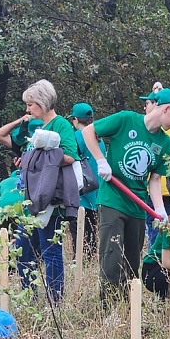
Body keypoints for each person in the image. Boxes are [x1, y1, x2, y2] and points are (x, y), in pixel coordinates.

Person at [82, 88, 170, 305]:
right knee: (112, 256)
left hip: (137, 205)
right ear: (166, 108)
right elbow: (89, 132)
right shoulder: (126, 120)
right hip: (112, 198)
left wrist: (159, 210)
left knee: (132, 262)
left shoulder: (165, 143)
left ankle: (127, 309)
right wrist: (101, 160)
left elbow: (153, 180)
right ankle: (109, 309)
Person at [15, 79, 78, 303]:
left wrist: (41, 160)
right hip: (32, 198)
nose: (27, 109)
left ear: (42, 102)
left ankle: (55, 301)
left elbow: (70, 155)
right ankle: (29, 298)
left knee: (50, 250)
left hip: (50, 200)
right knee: (22, 248)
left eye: (30, 104)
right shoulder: (40, 129)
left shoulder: (60, 125)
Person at [71, 102, 100, 257]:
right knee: (91, 228)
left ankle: (80, 258)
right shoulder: (98, 136)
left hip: (82, 188)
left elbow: (71, 158)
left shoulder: (77, 136)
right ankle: (90, 256)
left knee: (79, 228)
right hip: (97, 190)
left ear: (75, 119)